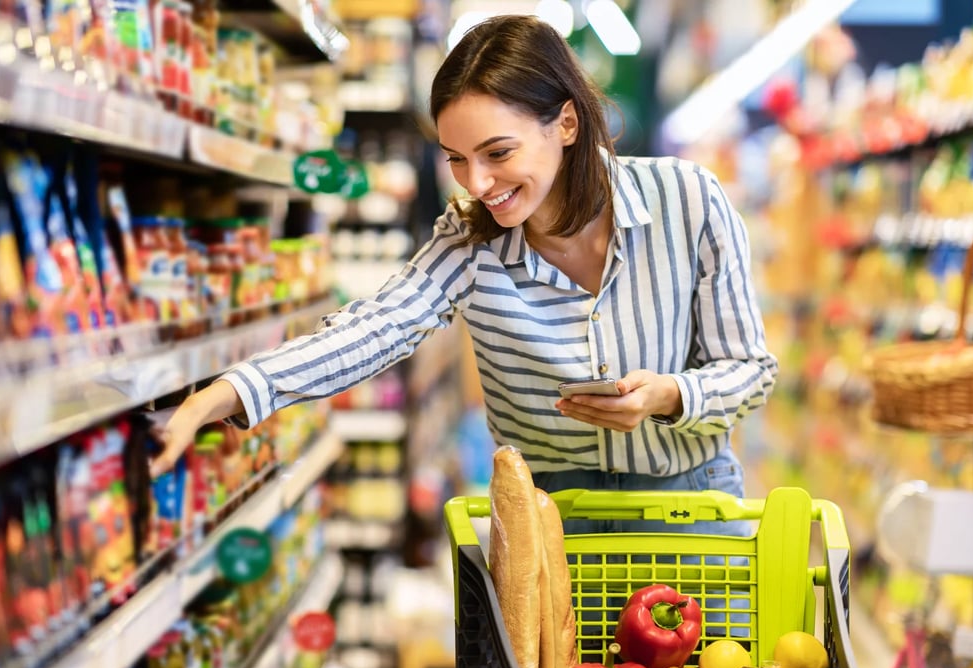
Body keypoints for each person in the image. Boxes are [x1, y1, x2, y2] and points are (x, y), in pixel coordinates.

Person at [150, 14, 777, 538]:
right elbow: (375, 329)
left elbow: (750, 369)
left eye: (498, 153)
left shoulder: (688, 200)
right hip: (546, 523)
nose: (477, 184)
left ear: (565, 123)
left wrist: (670, 396)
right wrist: (225, 393)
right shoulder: (470, 238)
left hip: (691, 511)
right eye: (457, 159)